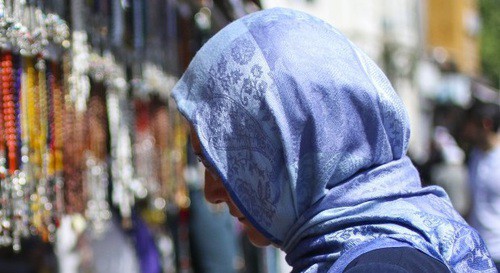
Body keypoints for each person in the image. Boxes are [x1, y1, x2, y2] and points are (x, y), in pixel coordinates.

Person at [171, 8, 496, 273]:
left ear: (288, 146)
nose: (212, 192)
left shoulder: (380, 266)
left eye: (228, 161)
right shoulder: (368, 249)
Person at [462, 100, 500, 271]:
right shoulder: (475, 156)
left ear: (486, 124)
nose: (466, 131)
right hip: (478, 253)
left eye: (470, 125)